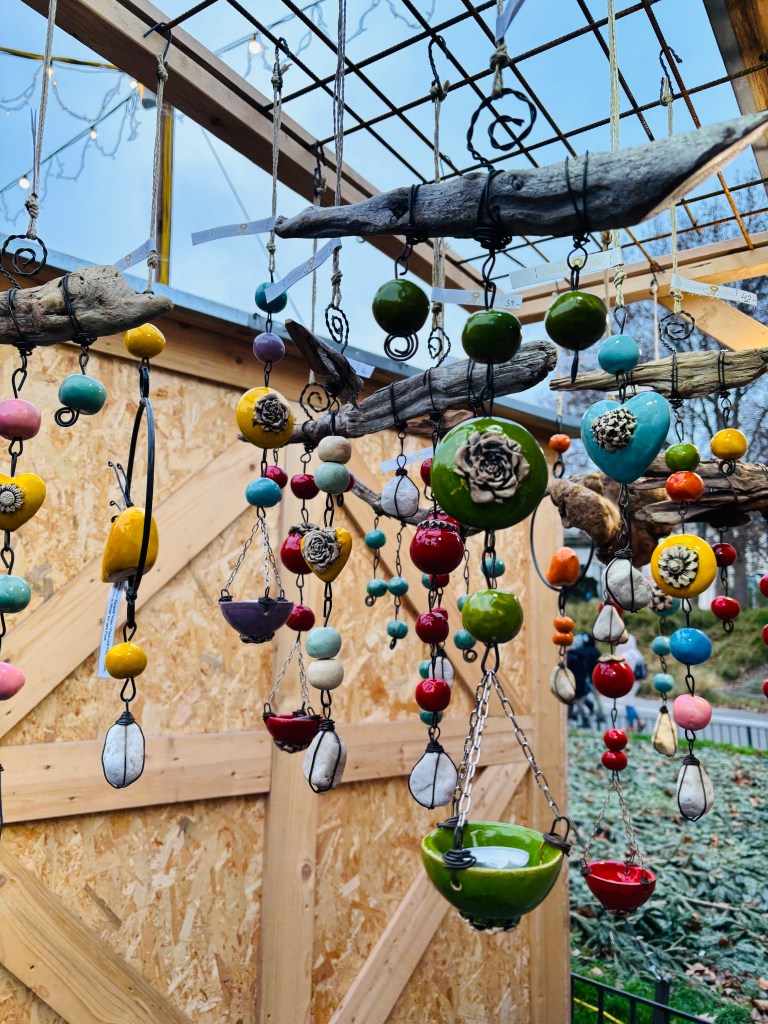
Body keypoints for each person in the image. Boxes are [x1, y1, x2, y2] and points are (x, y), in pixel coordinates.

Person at [615, 634, 647, 732]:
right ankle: (636, 723)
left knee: (628, 703)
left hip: (630, 681)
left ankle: (632, 725)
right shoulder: (636, 652)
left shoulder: (626, 655)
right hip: (637, 680)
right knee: (629, 702)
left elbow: (626, 670)